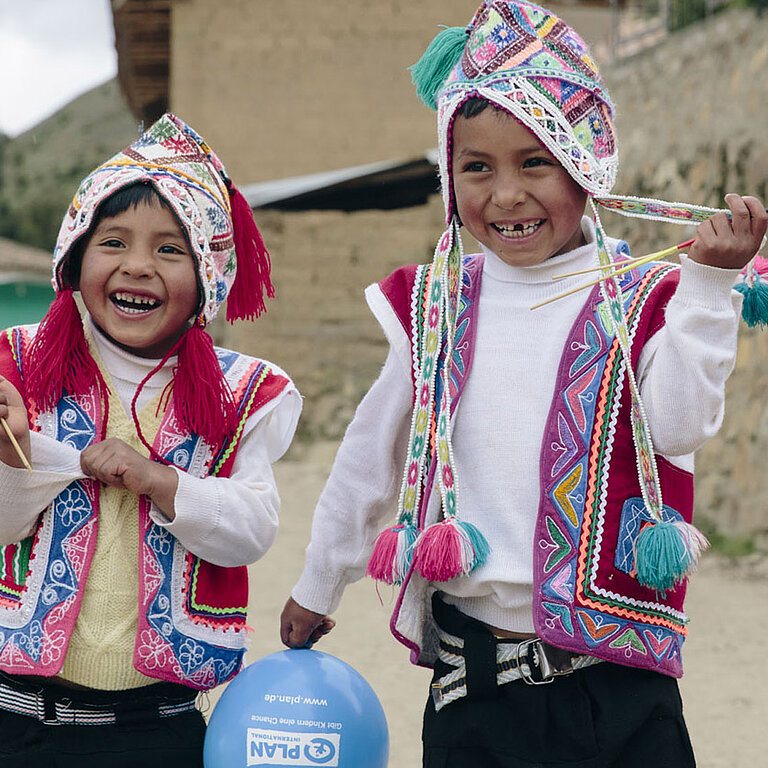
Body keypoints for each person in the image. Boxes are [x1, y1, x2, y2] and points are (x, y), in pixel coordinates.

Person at [279, 2, 767, 766]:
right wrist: (317, 583)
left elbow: (677, 431)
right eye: (477, 167)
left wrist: (706, 291)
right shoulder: (434, 306)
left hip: (621, 694)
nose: (505, 194)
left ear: (586, 159)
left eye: (534, 162)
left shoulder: (649, 297)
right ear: (450, 175)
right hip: (475, 691)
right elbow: (369, 458)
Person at [0, 114, 301, 767]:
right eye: (112, 242)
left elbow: (251, 530)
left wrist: (162, 482)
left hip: (154, 729)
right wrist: (15, 455)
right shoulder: (18, 370)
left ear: (209, 279)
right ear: (74, 258)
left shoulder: (237, 392)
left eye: (170, 249)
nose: (137, 267)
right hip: (14, 719)